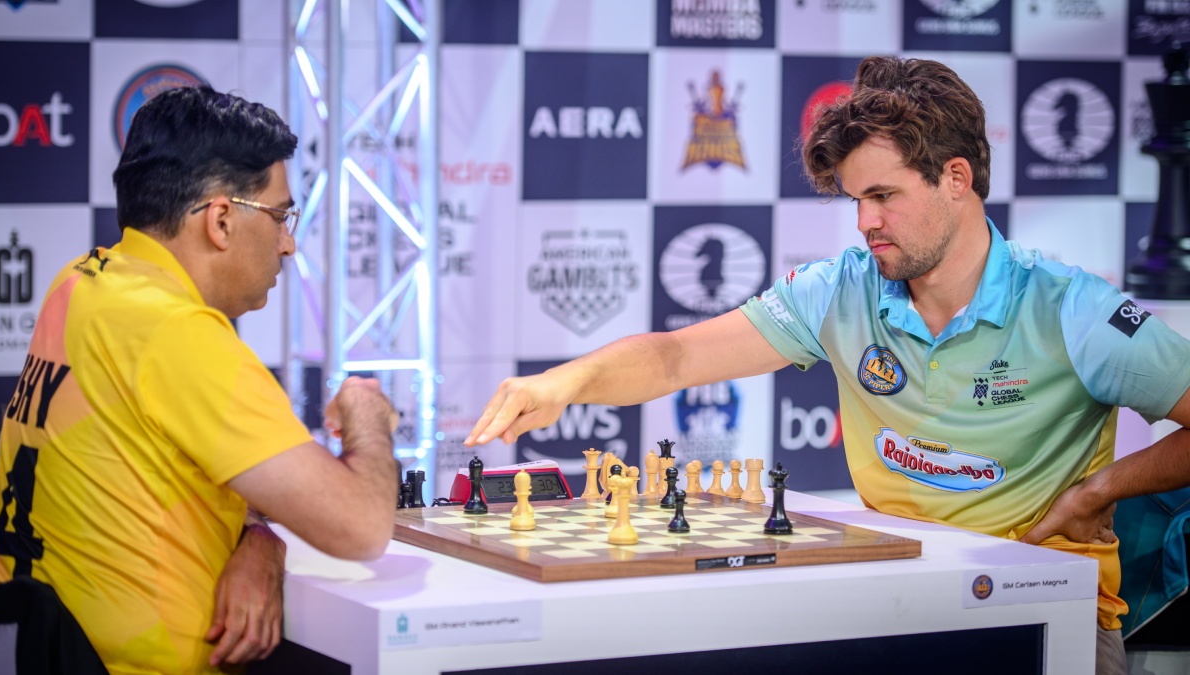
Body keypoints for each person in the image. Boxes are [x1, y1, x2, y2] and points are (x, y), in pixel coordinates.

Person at [464, 56, 1190, 675]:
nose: (865, 222)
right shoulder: (840, 290)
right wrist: (568, 381)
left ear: (956, 177)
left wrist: (1100, 489)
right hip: (896, 603)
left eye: (884, 196)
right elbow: (679, 355)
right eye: (856, 201)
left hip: (1045, 612)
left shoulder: (1071, 309)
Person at [0, 85, 401, 674]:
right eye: (281, 216)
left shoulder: (80, 283)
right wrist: (366, 415)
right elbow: (361, 528)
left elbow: (164, 469)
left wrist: (261, 542)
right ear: (222, 220)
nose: (288, 244)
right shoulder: (177, 333)